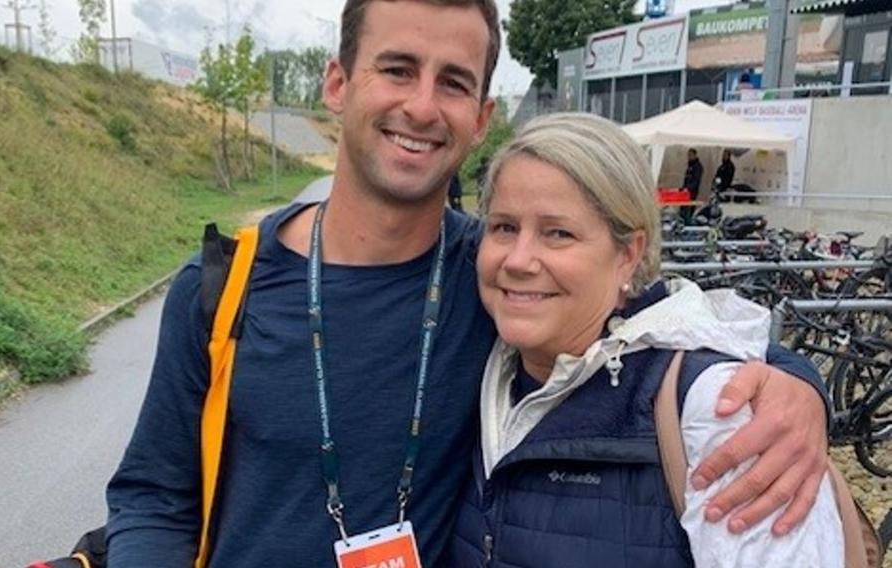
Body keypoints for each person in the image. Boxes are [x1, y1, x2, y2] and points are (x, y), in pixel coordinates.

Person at [105, 1, 830, 566]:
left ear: (481, 117)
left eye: (452, 82)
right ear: (337, 83)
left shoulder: (502, 278)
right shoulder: (223, 286)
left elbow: (663, 319)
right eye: (396, 68)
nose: (422, 106)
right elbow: (154, 498)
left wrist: (796, 385)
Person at [448, 113, 843, 567]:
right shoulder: (485, 359)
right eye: (504, 227)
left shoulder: (717, 415)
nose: (518, 259)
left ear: (628, 255)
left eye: (558, 233)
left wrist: (803, 386)